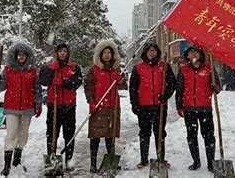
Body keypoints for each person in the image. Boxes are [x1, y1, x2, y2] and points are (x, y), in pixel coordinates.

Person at [0, 41, 43, 176]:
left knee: (23, 135)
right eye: (19, 55)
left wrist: (38, 105)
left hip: (27, 107)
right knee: (11, 134)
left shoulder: (33, 70)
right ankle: (6, 165)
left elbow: (37, 89)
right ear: (15, 56)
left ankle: (16, 161)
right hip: (11, 107)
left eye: (24, 55)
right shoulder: (8, 70)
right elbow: (1, 87)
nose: (21, 57)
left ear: (28, 56)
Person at [129, 40, 176, 169]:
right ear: (145, 52)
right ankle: (144, 160)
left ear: (157, 52)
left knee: (159, 132)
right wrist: (134, 104)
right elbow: (133, 87)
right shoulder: (138, 68)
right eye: (149, 50)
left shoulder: (164, 66)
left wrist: (165, 95)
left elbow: (172, 84)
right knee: (144, 132)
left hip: (160, 106)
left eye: (154, 50)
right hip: (144, 106)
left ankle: (161, 158)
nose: (152, 53)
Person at [175, 45, 220, 172]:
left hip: (205, 108)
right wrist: (179, 106)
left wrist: (215, 87)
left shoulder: (209, 68)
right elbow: (179, 89)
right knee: (191, 136)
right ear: (187, 56)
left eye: (196, 52)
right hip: (189, 109)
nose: (193, 54)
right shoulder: (183, 70)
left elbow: (217, 86)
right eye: (190, 52)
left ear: (201, 54)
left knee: (209, 136)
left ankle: (211, 163)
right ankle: (196, 161)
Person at [38, 42, 83, 171]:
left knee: (69, 133)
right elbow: (43, 81)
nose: (63, 53)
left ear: (68, 53)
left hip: (69, 106)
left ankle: (69, 160)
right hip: (54, 105)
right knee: (52, 133)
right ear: (56, 53)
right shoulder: (49, 67)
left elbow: (77, 82)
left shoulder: (74, 67)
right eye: (60, 51)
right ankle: (51, 157)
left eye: (65, 51)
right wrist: (52, 71)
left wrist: (63, 82)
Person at [84, 40, 127, 173]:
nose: (107, 55)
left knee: (110, 135)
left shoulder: (116, 70)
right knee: (95, 136)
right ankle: (93, 163)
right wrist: (91, 101)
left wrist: (121, 80)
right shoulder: (94, 70)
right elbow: (89, 87)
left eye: (109, 52)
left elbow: (123, 86)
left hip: (113, 106)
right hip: (98, 106)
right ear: (100, 54)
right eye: (105, 53)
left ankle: (110, 159)